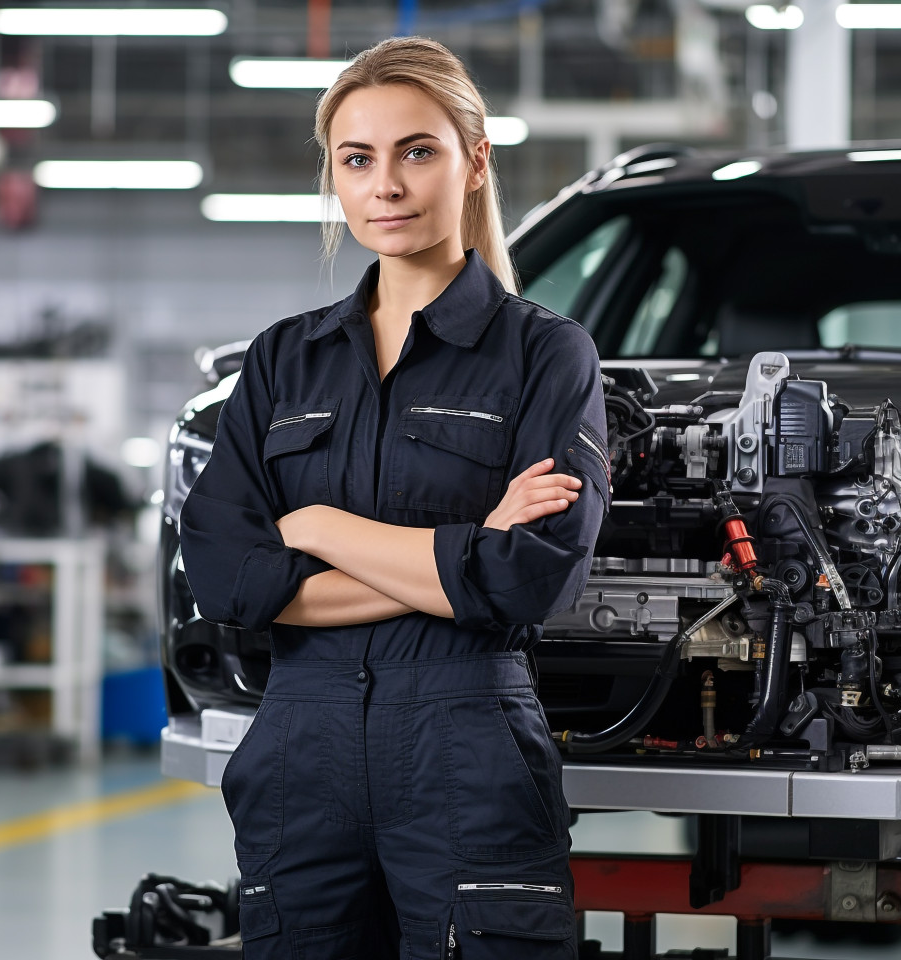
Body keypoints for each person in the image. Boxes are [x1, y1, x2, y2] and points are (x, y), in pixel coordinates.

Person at [179, 35, 609, 960]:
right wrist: (460, 556)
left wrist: (319, 528)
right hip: (302, 749)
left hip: (467, 750)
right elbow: (226, 577)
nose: (388, 186)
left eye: (418, 151)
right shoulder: (282, 360)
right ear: (335, 175)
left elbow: (529, 578)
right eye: (357, 159)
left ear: (475, 158)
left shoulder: (547, 354)